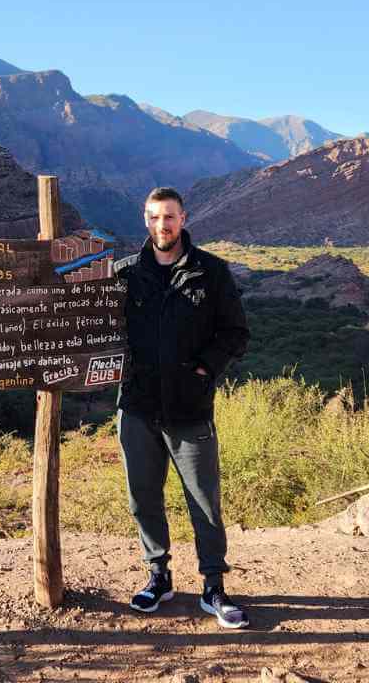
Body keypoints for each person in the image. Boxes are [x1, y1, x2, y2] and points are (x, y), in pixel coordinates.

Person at [113, 186, 251, 629]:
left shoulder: (210, 272)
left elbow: (235, 333)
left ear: (183, 218)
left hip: (190, 410)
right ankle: (159, 576)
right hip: (136, 406)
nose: (163, 225)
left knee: (204, 502)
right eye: (155, 217)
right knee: (143, 498)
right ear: (145, 219)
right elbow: (87, 323)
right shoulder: (126, 273)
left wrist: (204, 371)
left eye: (169, 217)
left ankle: (213, 586)